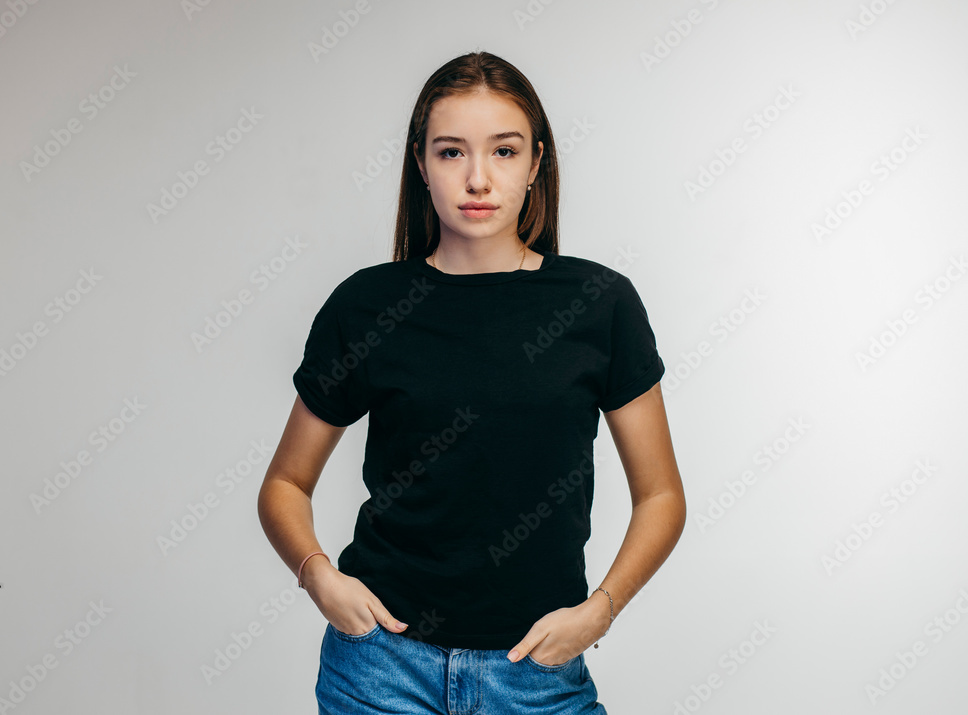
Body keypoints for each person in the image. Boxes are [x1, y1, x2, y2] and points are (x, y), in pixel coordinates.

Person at [257, 50, 686, 714]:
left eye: (505, 151)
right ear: (421, 164)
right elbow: (284, 483)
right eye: (452, 152)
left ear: (537, 162)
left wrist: (600, 610)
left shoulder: (599, 303)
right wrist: (319, 577)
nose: (478, 178)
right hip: (380, 671)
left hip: (537, 673)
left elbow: (661, 495)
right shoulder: (366, 306)